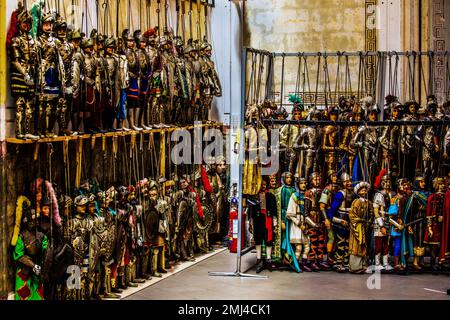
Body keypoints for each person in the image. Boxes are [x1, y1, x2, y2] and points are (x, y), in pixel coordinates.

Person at [12, 196, 48, 300]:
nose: (36, 222)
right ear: (26, 221)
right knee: (23, 294)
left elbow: (46, 252)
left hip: (38, 270)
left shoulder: (42, 236)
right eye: (33, 220)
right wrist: (33, 265)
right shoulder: (22, 237)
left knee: (38, 295)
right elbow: (18, 255)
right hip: (25, 269)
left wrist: (42, 265)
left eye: (37, 220)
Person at [248, 180, 278, 273]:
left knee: (269, 239)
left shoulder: (271, 196)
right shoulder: (253, 196)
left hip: (268, 219)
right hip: (257, 220)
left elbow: (274, 211)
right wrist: (251, 223)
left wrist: (275, 222)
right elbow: (251, 212)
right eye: (261, 184)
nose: (263, 186)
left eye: (264, 184)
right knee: (258, 239)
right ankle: (259, 260)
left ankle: (268, 260)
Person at [327, 173, 354, 272]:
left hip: (349, 220)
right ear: (343, 183)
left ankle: (346, 262)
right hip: (341, 220)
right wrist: (340, 221)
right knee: (341, 243)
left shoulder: (353, 193)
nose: (349, 183)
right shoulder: (340, 194)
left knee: (347, 243)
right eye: (347, 182)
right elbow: (333, 210)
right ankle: (338, 263)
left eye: (350, 181)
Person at [285, 177, 310, 272]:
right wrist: (299, 224)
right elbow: (290, 214)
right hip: (297, 224)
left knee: (307, 246)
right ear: (298, 185)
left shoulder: (308, 195)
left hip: (306, 221)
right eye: (301, 183)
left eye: (305, 183)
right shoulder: (294, 196)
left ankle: (303, 264)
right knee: (299, 247)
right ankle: (295, 264)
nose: (304, 185)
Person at [349, 182, 372, 274]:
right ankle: (355, 267)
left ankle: (363, 265)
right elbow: (352, 215)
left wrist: (369, 220)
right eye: (362, 189)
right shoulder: (356, 202)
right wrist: (359, 221)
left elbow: (370, 213)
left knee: (363, 246)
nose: (364, 190)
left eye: (365, 189)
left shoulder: (368, 202)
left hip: (364, 226)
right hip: (357, 226)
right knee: (356, 245)